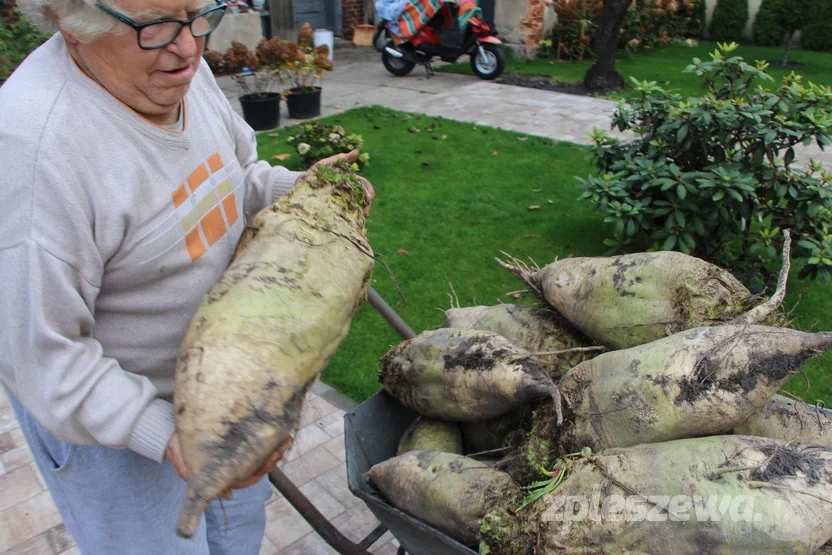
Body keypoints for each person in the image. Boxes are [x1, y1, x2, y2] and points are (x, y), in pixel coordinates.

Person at [0, 0, 374, 553]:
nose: (189, 47)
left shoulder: (174, 71)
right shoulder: (35, 157)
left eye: (200, 15)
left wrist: (304, 194)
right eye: (154, 25)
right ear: (68, 20)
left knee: (236, 538)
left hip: (223, 396)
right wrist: (167, 436)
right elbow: (43, 357)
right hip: (111, 430)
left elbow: (233, 176)